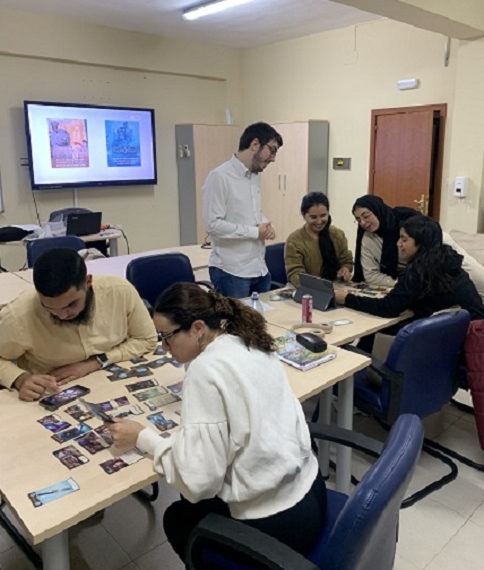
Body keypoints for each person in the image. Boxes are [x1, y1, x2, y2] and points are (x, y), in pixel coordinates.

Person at [107, 282, 326, 562]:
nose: (163, 348)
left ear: (198, 328)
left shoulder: (205, 369)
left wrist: (143, 438)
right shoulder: (248, 340)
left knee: (178, 518)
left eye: (168, 337)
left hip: (277, 523)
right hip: (310, 491)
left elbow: (199, 483)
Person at [0, 248, 158, 401]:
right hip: (51, 392)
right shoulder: (18, 315)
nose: (62, 315)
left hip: (111, 380)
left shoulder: (119, 291)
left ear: (87, 282)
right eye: (50, 308)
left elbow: (146, 339)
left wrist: (95, 363)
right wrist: (20, 379)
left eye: (71, 305)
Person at [335, 216, 484, 320]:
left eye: (404, 239)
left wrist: (347, 298)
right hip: (469, 334)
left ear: (421, 243)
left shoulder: (418, 271)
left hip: (459, 341)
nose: (398, 244)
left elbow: (388, 308)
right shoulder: (449, 260)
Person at [202, 122, 283, 298]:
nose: (273, 158)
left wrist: (265, 224)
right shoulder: (219, 177)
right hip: (231, 271)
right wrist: (255, 231)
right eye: (272, 150)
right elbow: (212, 225)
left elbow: (249, 212)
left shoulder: (254, 176)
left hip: (258, 268)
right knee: (236, 325)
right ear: (255, 145)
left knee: (262, 323)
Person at [285, 192, 353, 288]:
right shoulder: (294, 241)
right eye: (313, 217)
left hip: (336, 286)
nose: (319, 221)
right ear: (304, 216)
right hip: (307, 288)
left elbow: (347, 260)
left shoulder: (337, 235)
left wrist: (345, 269)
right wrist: (320, 287)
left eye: (323, 216)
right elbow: (295, 274)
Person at [352, 194, 420, 287]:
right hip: (395, 285)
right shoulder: (367, 237)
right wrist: (398, 284)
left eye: (366, 216)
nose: (363, 223)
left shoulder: (406, 227)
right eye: (358, 220)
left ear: (377, 210)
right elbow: (370, 275)